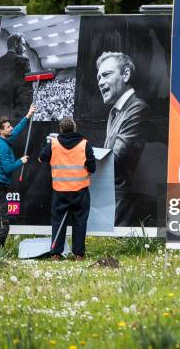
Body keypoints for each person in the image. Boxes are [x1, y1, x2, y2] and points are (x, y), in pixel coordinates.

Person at [95, 51, 149, 226]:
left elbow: (115, 162)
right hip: (112, 204)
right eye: (98, 78)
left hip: (124, 210)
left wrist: (72, 147)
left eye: (106, 75)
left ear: (125, 74)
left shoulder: (138, 109)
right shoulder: (115, 112)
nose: (100, 82)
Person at [39, 117, 96, 260]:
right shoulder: (84, 144)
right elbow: (92, 168)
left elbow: (41, 159)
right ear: (74, 128)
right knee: (80, 221)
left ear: (60, 129)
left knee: (58, 221)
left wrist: (48, 145)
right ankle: (78, 255)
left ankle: (56, 254)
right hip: (80, 191)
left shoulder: (54, 144)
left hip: (60, 190)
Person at [0, 104, 36, 248]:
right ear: (1, 130)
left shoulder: (2, 140)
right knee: (3, 223)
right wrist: (21, 161)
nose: (11, 128)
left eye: (10, 125)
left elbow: (16, 132)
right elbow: (7, 168)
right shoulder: (2, 146)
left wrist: (27, 115)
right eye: (8, 127)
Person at [0, 33, 31, 119]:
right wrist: (25, 116)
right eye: (23, 45)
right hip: (15, 115)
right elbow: (26, 91)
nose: (24, 49)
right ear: (16, 44)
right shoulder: (23, 61)